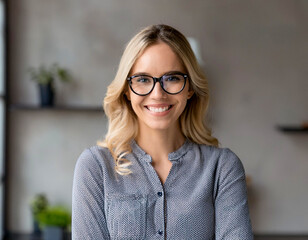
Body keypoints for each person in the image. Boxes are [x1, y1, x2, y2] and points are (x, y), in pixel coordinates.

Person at [72, 24, 253, 239]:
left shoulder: (222, 168)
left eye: (172, 78)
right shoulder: (96, 167)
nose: (158, 94)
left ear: (190, 89)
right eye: (142, 80)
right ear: (127, 91)